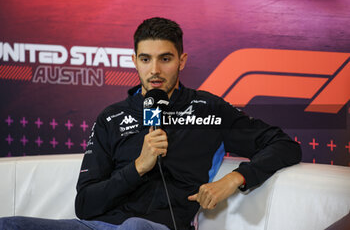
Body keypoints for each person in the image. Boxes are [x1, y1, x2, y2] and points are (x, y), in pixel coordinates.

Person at [0, 17, 302, 230]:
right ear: (134, 60)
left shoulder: (208, 109)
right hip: (99, 226)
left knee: (135, 227)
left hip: (157, 227)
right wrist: (138, 167)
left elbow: (284, 146)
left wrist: (234, 180)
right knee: (9, 224)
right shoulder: (111, 117)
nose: (154, 70)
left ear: (182, 61)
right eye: (145, 59)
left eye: (165, 59)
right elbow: (85, 206)